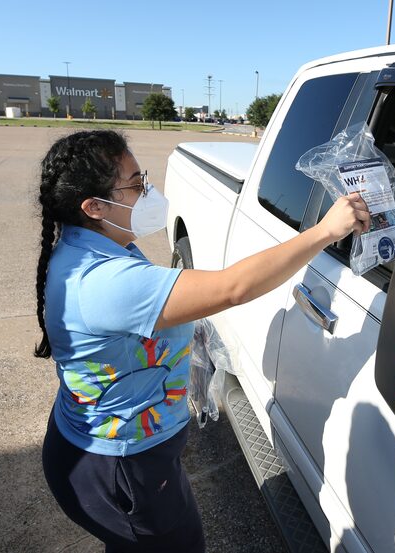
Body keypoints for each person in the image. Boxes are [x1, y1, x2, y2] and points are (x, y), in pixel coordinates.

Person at [34, 130, 369, 552]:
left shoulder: (94, 244)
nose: (148, 191)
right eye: (136, 184)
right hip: (121, 465)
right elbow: (233, 287)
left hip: (106, 444)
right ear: (95, 206)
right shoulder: (99, 281)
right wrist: (324, 231)